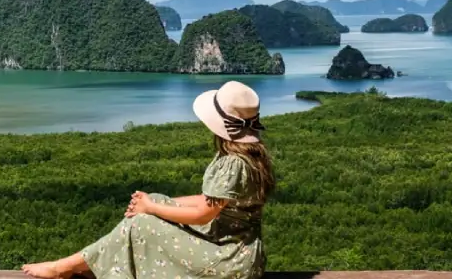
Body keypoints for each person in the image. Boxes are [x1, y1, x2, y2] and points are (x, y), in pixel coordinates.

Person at [22, 80, 275, 279]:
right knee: (156, 201)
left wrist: (151, 209)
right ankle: (92, 263)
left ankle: (64, 267)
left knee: (142, 223)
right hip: (238, 249)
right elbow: (211, 200)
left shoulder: (234, 162)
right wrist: (160, 203)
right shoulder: (252, 155)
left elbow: (203, 215)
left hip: (229, 260)